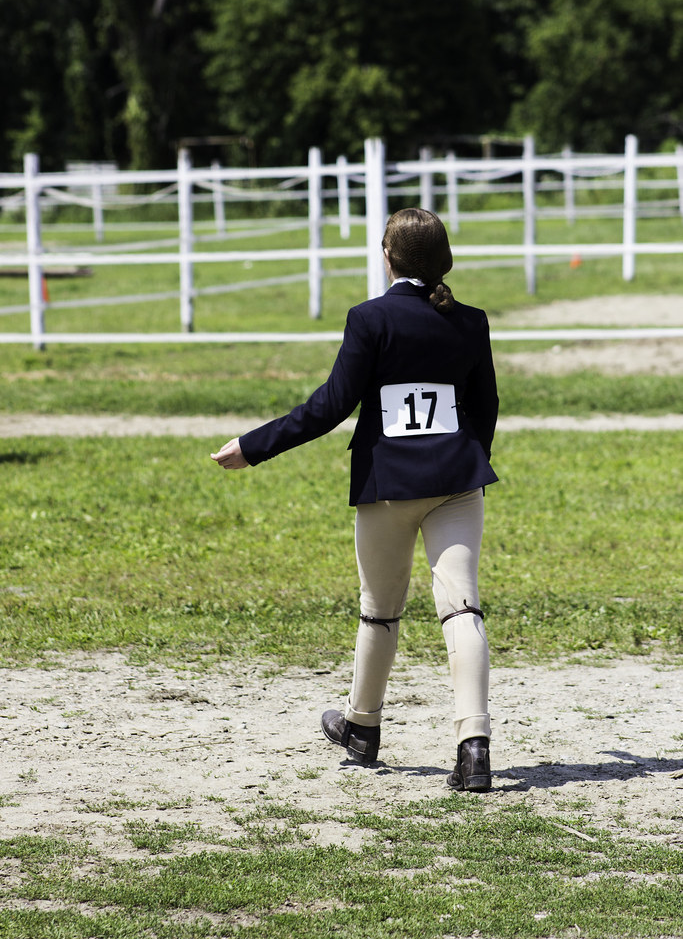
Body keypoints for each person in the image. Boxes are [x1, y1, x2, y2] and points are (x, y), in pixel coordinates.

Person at [211, 207, 499, 792]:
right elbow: (485, 408)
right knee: (461, 608)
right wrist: (459, 463)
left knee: (380, 609)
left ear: (388, 257)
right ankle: (474, 747)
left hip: (388, 486)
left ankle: (363, 727)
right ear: (443, 259)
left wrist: (253, 445)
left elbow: (330, 405)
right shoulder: (470, 321)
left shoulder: (370, 318)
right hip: (457, 484)